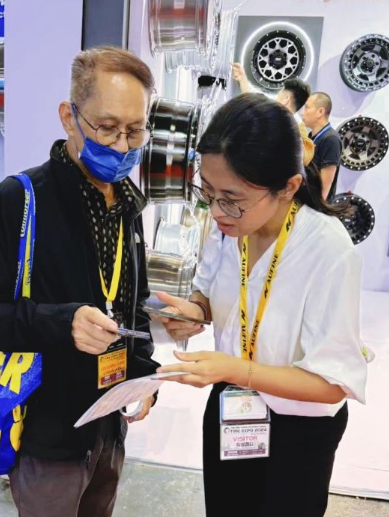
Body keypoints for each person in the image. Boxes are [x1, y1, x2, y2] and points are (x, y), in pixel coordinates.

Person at [0, 47, 160, 516]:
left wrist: (143, 372)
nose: (122, 146)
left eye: (135, 130)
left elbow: (134, 300)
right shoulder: (20, 200)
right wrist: (62, 323)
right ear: (70, 118)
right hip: (46, 432)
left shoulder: (129, 204)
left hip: (109, 422)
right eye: (107, 128)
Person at [154, 93, 367, 517]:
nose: (217, 210)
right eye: (207, 192)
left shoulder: (327, 249)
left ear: (288, 187)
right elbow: (209, 292)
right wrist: (195, 312)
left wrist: (235, 370)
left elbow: (331, 384)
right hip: (233, 405)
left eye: (231, 198)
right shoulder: (228, 226)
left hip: (299, 427)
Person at [230, 64, 315, 166]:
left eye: (279, 94)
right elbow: (253, 97)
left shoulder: (273, 119)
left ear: (286, 99)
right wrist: (242, 78)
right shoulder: (297, 127)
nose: (276, 97)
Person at [301, 92, 343, 200]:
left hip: (314, 206)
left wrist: (312, 209)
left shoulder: (331, 140)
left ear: (320, 112)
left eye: (307, 108)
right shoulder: (311, 136)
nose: (302, 113)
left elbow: (324, 189)